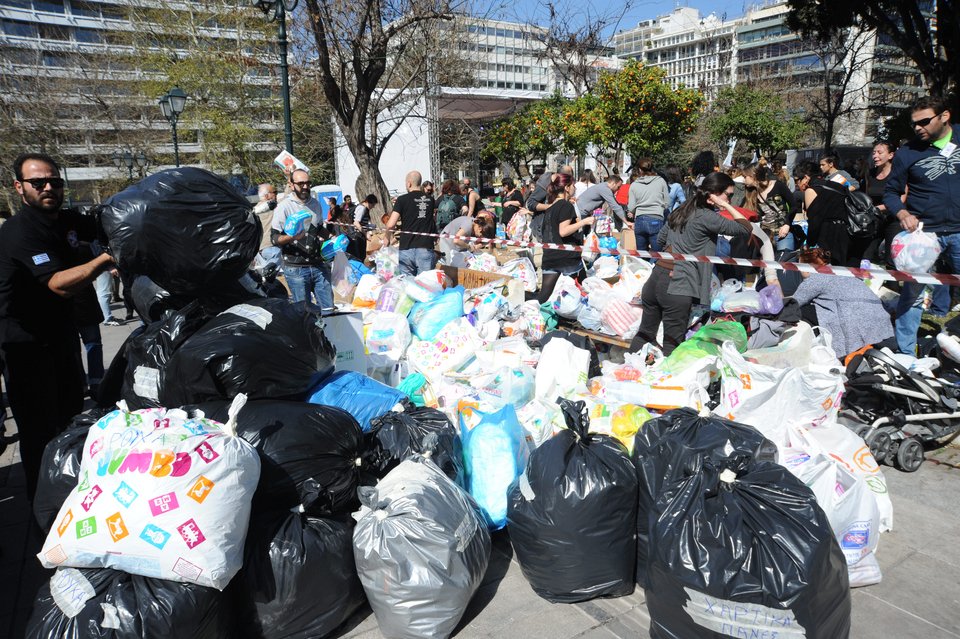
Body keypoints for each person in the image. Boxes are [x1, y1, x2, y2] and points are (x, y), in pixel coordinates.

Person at [0, 152, 115, 501]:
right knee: (38, 431)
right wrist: (107, 260)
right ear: (20, 187)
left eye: (55, 181)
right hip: (25, 345)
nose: (48, 187)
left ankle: (72, 492)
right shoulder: (19, 231)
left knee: (69, 416)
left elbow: (108, 224)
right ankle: (42, 507)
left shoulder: (65, 220)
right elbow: (58, 284)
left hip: (60, 335)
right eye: (38, 182)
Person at [629, 172, 752, 355]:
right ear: (714, 195)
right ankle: (668, 382)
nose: (730, 199)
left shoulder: (681, 210)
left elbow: (661, 240)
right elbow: (744, 228)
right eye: (729, 195)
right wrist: (725, 205)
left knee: (645, 334)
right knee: (672, 344)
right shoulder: (706, 216)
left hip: (655, 280)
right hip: (678, 286)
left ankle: (629, 372)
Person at [884, 96, 960, 354]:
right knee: (913, 295)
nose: (918, 128)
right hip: (925, 235)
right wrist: (902, 212)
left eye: (924, 122)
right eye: (914, 123)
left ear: (945, 116)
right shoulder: (908, 152)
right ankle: (905, 352)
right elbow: (891, 193)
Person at [790, 248, 895, 359]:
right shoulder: (842, 271)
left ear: (807, 268)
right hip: (880, 323)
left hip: (855, 326)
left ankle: (815, 347)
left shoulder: (815, 279)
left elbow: (794, 303)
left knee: (801, 311)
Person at [270, 168, 334, 307]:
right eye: (301, 184)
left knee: (329, 309)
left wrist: (332, 237)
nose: (305, 187)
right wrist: (291, 237)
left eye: (308, 183)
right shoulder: (284, 207)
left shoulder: (315, 204)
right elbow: (274, 238)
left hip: (318, 264)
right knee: (304, 314)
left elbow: (318, 229)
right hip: (295, 268)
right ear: (292, 185)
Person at [793, 161, 863, 266]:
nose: (797, 185)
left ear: (806, 177)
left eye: (797, 180)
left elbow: (814, 221)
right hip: (851, 233)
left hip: (830, 236)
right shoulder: (835, 185)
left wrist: (809, 243)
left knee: (830, 273)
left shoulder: (811, 190)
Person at [540, 173, 594, 278]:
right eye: (573, 185)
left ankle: (521, 295)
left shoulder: (551, 207)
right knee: (579, 291)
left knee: (545, 294)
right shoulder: (566, 205)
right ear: (567, 188)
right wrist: (584, 222)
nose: (575, 188)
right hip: (567, 259)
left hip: (550, 257)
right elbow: (563, 231)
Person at [386, 170, 438, 276]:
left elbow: (391, 224)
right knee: (425, 285)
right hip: (425, 247)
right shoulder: (430, 200)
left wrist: (387, 238)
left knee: (407, 286)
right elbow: (432, 220)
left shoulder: (401, 200)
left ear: (409, 183)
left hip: (406, 248)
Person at [742, 163, 796, 256]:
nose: (743, 179)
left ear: (753, 175)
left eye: (745, 176)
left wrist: (787, 224)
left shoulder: (778, 185)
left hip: (783, 234)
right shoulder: (751, 193)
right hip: (764, 235)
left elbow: (794, 205)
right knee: (766, 267)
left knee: (784, 264)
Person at [629, 158, 670, 252]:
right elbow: (667, 203)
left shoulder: (634, 185)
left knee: (642, 255)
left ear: (639, 170)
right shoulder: (661, 181)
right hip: (656, 219)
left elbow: (631, 207)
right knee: (657, 255)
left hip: (639, 221)